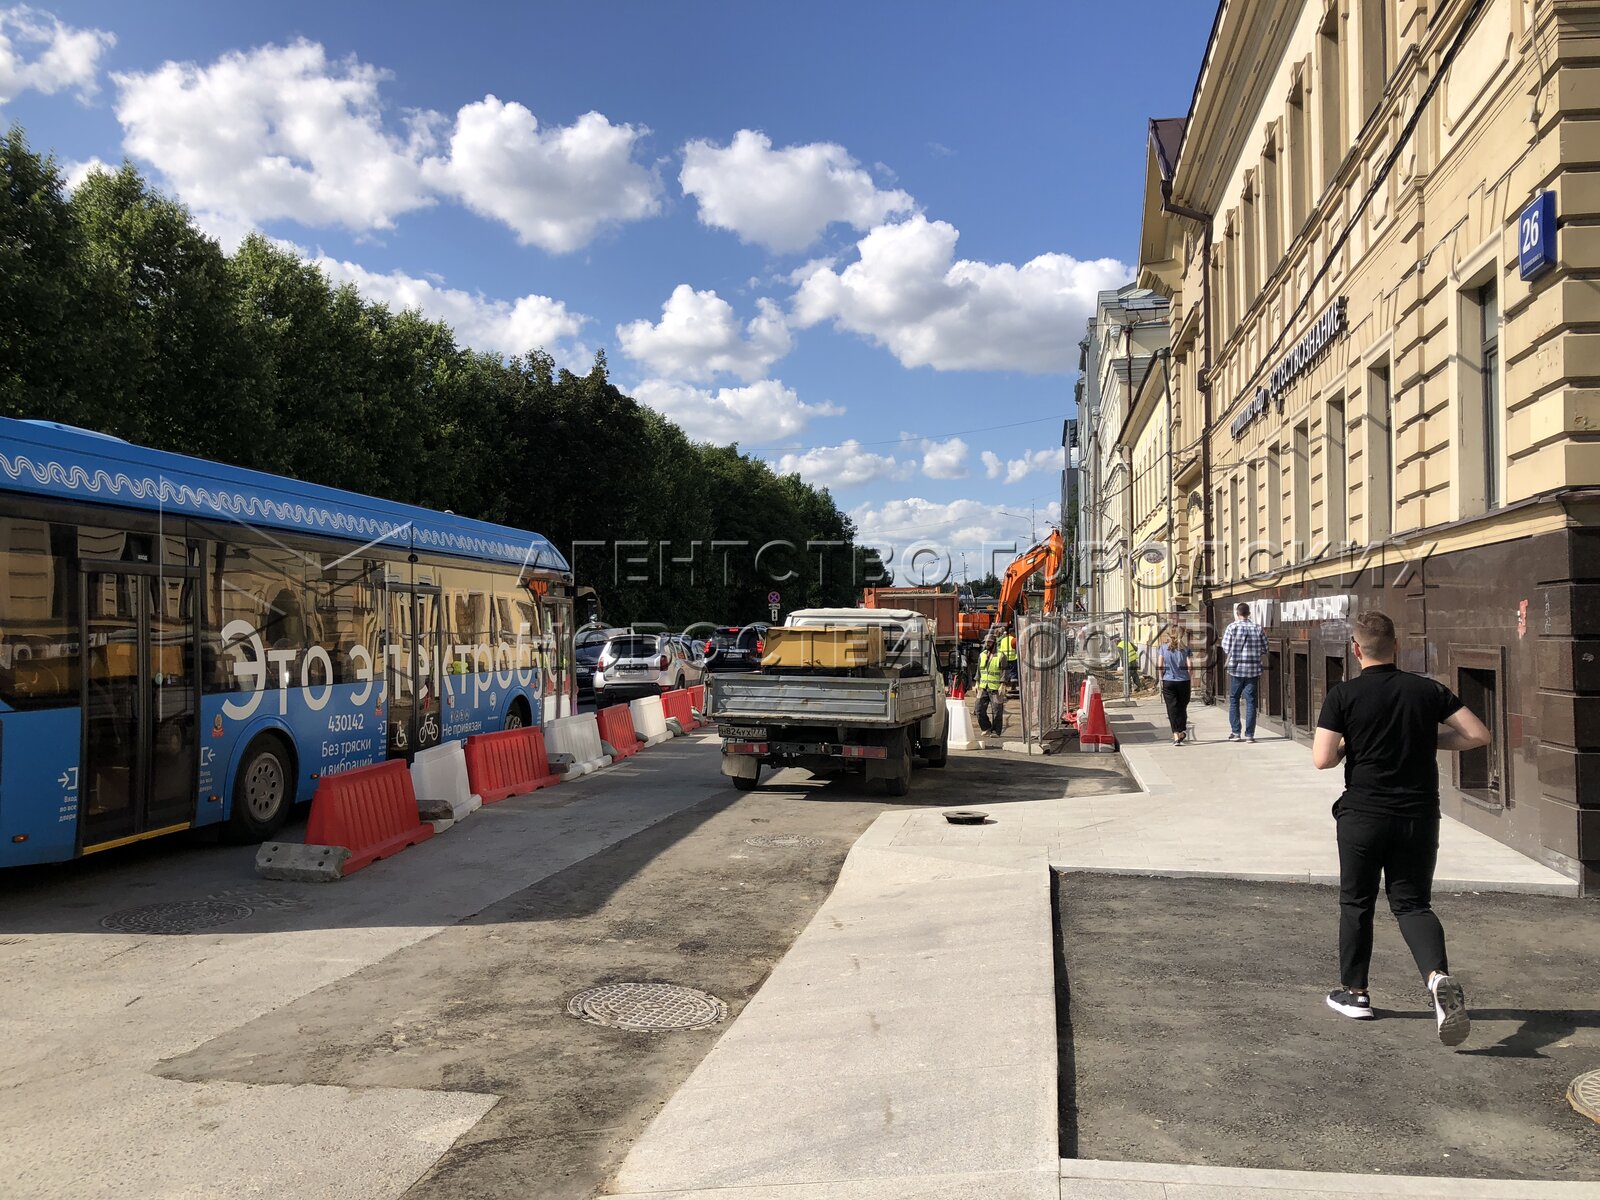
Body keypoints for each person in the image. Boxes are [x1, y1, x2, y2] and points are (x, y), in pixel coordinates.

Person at [1312, 611, 1491, 1047]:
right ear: (1398, 646)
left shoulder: (1344, 694)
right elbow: (1477, 734)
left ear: (1356, 650)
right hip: (1418, 817)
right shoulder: (1426, 689)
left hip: (1363, 816)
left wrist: (1350, 744)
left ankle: (1355, 994)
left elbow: (1322, 758)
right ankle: (1437, 979)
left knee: (1357, 902)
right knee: (1412, 904)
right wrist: (1424, 738)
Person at [1220, 602, 1267, 741]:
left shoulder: (1232, 627)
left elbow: (1226, 647)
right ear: (1249, 613)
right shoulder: (1257, 628)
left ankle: (1235, 733)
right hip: (1253, 669)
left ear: (1237, 613)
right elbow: (1265, 648)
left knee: (1234, 700)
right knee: (1251, 702)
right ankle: (1250, 735)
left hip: (1236, 669)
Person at [1158, 625, 1191, 745]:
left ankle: (1176, 735)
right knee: (1182, 707)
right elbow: (1189, 666)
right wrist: (1188, 677)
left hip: (1168, 681)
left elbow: (1160, 665)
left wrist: (1162, 677)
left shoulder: (1163, 648)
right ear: (1181, 635)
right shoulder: (1185, 649)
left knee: (1172, 708)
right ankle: (1182, 730)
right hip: (1183, 681)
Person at [975, 632, 1007, 735]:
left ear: (994, 643)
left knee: (997, 711)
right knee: (978, 709)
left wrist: (1003, 684)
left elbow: (1004, 671)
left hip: (995, 688)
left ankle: (995, 731)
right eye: (985, 642)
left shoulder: (1001, 656)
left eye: (989, 642)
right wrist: (977, 682)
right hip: (983, 687)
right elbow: (979, 670)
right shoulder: (982, 655)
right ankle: (986, 727)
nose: (987, 644)